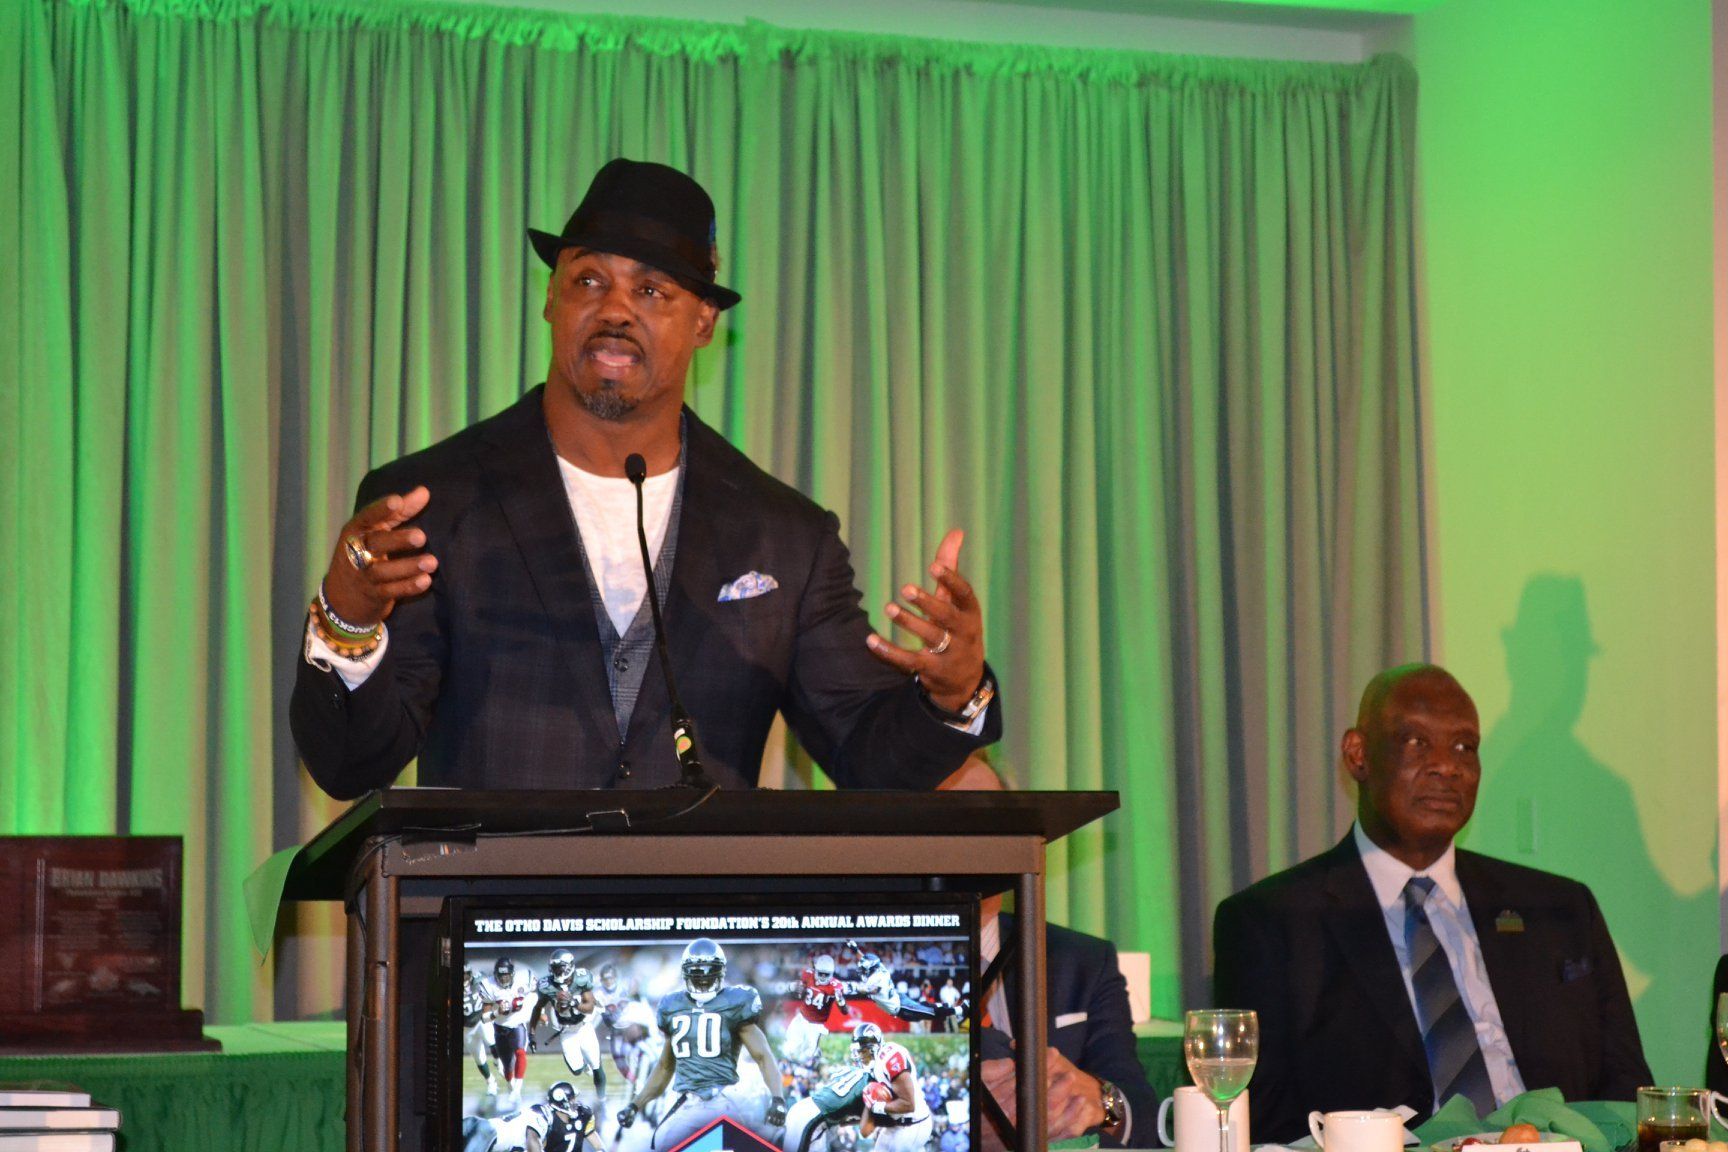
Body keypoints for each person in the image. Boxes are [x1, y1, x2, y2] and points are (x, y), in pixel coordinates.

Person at [290, 157, 1001, 797]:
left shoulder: (783, 536)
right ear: (550, 299)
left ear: (703, 323)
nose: (616, 309)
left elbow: (869, 762)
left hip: (698, 942)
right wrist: (347, 619)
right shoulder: (432, 503)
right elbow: (352, 765)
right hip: (488, 934)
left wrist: (954, 695)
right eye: (589, 279)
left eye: (654, 289)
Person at [1213, 663, 1651, 1143]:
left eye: (1466, 747)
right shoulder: (1273, 921)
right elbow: (1264, 1124)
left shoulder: (1561, 909)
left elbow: (1627, 1097)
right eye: (1417, 742)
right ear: (1357, 755)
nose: (1448, 766)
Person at [939, 756, 1158, 1148]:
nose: (972, 839)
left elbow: (1141, 1114)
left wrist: (1097, 1100)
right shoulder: (880, 968)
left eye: (989, 820)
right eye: (948, 820)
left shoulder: (1083, 961)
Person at [617, 937, 787, 1148]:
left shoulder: (734, 1003)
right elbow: (664, 1067)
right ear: (686, 973)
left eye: (710, 971)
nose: (704, 978)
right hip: (690, 1102)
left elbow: (763, 1056)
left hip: (727, 1097)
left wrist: (778, 1098)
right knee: (662, 1143)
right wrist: (635, 1105)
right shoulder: (674, 1006)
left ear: (721, 972)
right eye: (698, 972)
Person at [533, 952, 607, 1118]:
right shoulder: (547, 985)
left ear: (570, 967)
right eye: (555, 969)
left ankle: (603, 1100)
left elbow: (590, 1005)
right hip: (567, 1030)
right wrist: (541, 1017)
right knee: (577, 1070)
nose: (558, 972)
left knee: (597, 1065)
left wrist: (574, 1002)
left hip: (584, 1027)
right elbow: (538, 1007)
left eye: (561, 968)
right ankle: (584, 1066)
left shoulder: (582, 978)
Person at [853, 1021, 934, 1152]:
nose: (861, 1055)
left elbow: (908, 1104)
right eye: (859, 1051)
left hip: (914, 1123)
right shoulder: (873, 1065)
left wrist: (877, 1106)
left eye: (864, 1051)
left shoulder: (890, 1058)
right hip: (896, 1124)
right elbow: (864, 1130)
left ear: (874, 1046)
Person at [461, 1080, 594, 1152]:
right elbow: (532, 1138)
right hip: (488, 1132)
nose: (574, 1103)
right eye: (571, 1100)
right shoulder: (545, 1115)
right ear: (561, 1100)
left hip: (479, 1125)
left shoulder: (548, 1121)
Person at [480, 956, 539, 1111]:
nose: (504, 978)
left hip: (518, 1025)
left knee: (520, 1053)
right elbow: (484, 1018)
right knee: (507, 1066)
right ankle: (511, 1087)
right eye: (501, 975)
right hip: (500, 1028)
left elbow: (535, 997)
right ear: (496, 975)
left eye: (507, 975)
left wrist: (541, 1012)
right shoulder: (489, 985)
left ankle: (517, 1091)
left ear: (512, 973)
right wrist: (496, 1012)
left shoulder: (524, 979)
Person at [784, 953, 848, 1064]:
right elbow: (795, 990)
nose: (823, 977)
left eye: (826, 974)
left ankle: (816, 1054)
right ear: (816, 970)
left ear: (831, 974)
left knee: (807, 1057)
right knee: (790, 1046)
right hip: (802, 1017)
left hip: (816, 1024)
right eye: (821, 973)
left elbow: (844, 1011)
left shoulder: (835, 986)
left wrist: (841, 1002)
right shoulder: (808, 975)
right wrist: (792, 987)